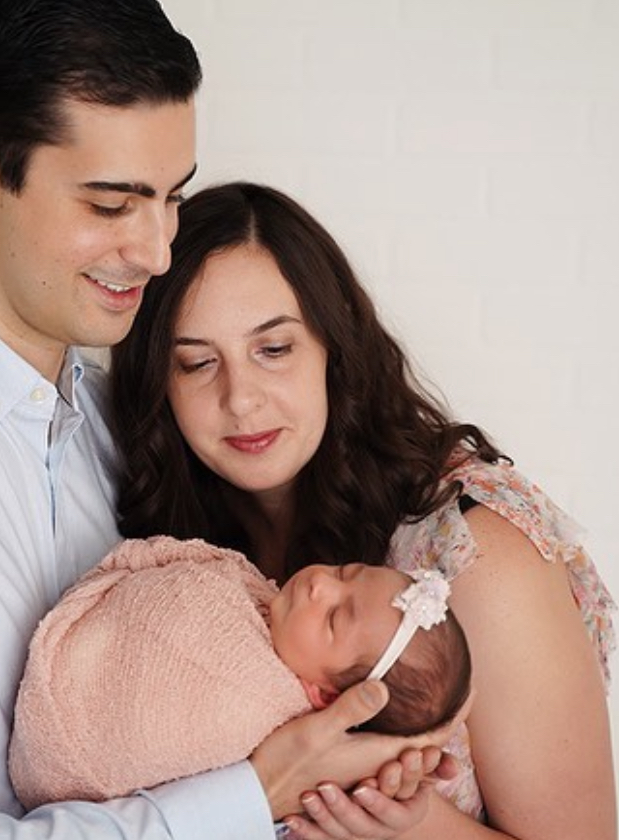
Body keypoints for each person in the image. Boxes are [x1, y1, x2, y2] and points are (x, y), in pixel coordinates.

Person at [0, 5, 454, 840]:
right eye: (113, 204)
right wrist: (250, 795)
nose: (159, 253)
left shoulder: (116, 424)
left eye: (171, 199)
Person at [109, 181, 618, 840]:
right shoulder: (173, 549)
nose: (241, 399)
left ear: (333, 345)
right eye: (197, 363)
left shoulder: (472, 553)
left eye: (274, 349)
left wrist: (409, 823)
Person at [9, 535, 471, 806]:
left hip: (73, 758)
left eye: (333, 619)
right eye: (345, 572)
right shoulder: (256, 599)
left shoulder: (251, 707)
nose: (319, 585)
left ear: (327, 697)